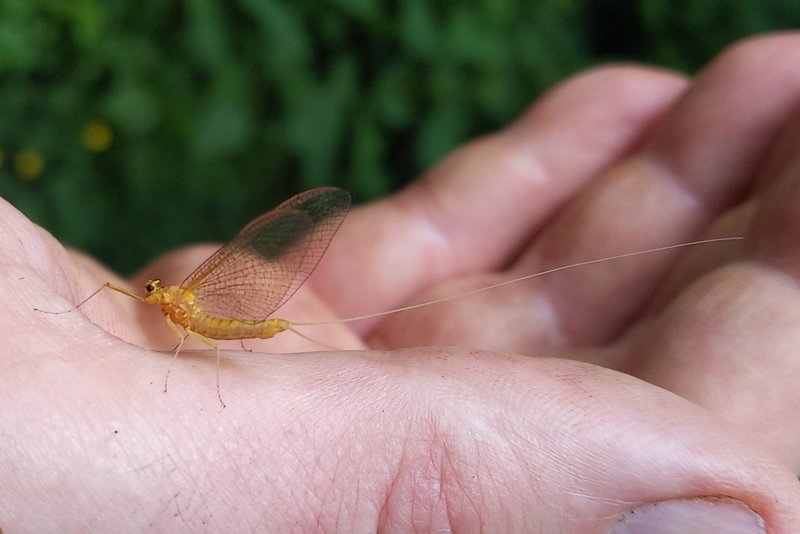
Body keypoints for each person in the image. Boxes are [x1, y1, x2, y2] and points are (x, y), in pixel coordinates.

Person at [4, 33, 800, 532]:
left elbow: (192, 343)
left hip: (238, 327)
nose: (151, 302)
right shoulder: (167, 307)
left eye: (153, 301)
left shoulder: (192, 311)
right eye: (150, 302)